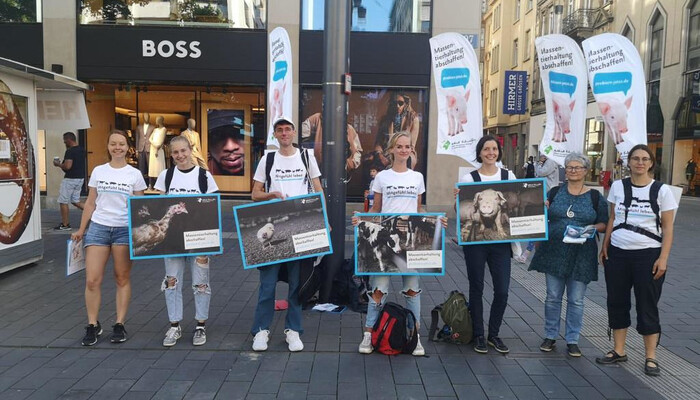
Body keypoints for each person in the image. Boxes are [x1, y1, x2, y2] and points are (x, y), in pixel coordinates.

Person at [596, 144, 677, 376]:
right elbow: (613, 217)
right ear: (628, 162)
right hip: (618, 253)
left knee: (647, 304)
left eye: (644, 159)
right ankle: (619, 350)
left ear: (651, 163)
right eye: (635, 158)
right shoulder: (618, 186)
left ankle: (651, 356)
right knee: (617, 301)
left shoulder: (662, 191)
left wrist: (663, 258)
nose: (640, 162)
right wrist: (605, 245)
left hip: (648, 254)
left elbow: (668, 228)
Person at [355, 131, 436, 357]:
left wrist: (436, 223)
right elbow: (376, 208)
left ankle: (415, 336)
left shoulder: (417, 177)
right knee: (378, 290)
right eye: (399, 146)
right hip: (385, 239)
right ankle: (369, 334)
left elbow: (418, 210)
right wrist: (362, 221)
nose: (403, 150)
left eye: (407, 146)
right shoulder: (382, 177)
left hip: (410, 241)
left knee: (412, 291)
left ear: (411, 149)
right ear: (391, 149)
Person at [250, 116, 323, 352]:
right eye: (280, 130)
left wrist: (324, 222)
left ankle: (293, 330)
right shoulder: (268, 159)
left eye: (287, 129)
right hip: (272, 226)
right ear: (275, 134)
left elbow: (318, 190)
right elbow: (255, 194)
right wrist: (271, 195)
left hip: (300, 225)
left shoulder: (306, 157)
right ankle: (261, 330)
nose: (284, 133)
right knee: (267, 284)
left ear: (293, 133)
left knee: (297, 284)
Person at [528, 153, 608, 357]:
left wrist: (591, 228)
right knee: (552, 297)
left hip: (582, 254)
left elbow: (604, 223)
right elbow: (539, 216)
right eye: (570, 167)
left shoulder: (595, 196)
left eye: (578, 167)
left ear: (585, 171)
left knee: (576, 300)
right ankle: (550, 335)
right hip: (554, 251)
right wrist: (542, 209)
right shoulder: (554, 192)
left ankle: (573, 339)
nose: (573, 170)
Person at [71, 130, 147, 346]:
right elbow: (90, 203)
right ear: (108, 146)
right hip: (99, 227)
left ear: (127, 147)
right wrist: (81, 229)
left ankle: (119, 323)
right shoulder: (98, 171)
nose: (117, 147)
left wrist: (141, 233)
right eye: (113, 144)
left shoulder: (135, 174)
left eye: (121, 144)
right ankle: (92, 324)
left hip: (124, 229)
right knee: (92, 280)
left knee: (121, 278)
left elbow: (140, 208)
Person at [154, 136, 219, 347]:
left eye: (183, 150)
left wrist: (211, 239)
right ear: (171, 154)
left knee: (201, 283)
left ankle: (200, 324)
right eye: (175, 152)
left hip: (198, 239)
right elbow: (157, 206)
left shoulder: (204, 176)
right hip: (172, 240)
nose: (180, 155)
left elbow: (213, 207)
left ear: (190, 150)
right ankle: (174, 325)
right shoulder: (166, 176)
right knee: (171, 281)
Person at [457, 135, 516, 354]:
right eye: (486, 149)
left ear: (499, 152)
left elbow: (512, 206)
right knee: (477, 287)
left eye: (494, 149)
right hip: (475, 243)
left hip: (501, 244)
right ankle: (479, 334)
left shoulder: (508, 176)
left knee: (502, 290)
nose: (491, 153)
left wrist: (541, 206)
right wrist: (456, 199)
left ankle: (494, 334)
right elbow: (460, 210)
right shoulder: (469, 178)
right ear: (480, 153)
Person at [373, 92, 420, 169]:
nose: (397, 106)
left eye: (400, 103)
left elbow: (412, 145)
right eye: (394, 103)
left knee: (408, 160)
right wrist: (380, 155)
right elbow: (378, 142)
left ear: (406, 104)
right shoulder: (385, 120)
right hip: (386, 152)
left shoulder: (413, 119)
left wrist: (398, 153)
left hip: (405, 152)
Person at [53, 132, 86, 230]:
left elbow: (68, 166)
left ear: (69, 140)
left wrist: (58, 164)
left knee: (63, 201)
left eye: (65, 141)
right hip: (80, 178)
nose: (64, 143)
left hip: (70, 179)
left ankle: (65, 224)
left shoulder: (70, 151)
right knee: (75, 201)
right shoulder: (82, 149)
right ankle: (95, 214)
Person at [148, 116, 167, 190]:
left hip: (158, 150)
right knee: (152, 167)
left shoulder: (164, 129)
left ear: (161, 121)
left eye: (157, 119)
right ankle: (152, 185)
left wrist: (157, 147)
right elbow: (150, 138)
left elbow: (161, 141)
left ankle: (159, 185)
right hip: (153, 149)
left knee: (159, 167)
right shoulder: (155, 130)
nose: (156, 121)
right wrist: (155, 144)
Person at [135, 113, 154, 177]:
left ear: (149, 117)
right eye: (145, 117)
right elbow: (137, 138)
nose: (146, 118)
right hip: (141, 148)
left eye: (147, 117)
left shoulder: (153, 127)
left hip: (149, 148)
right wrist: (136, 150)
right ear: (143, 118)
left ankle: (150, 181)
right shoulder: (139, 127)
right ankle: (141, 179)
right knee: (141, 166)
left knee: (150, 166)